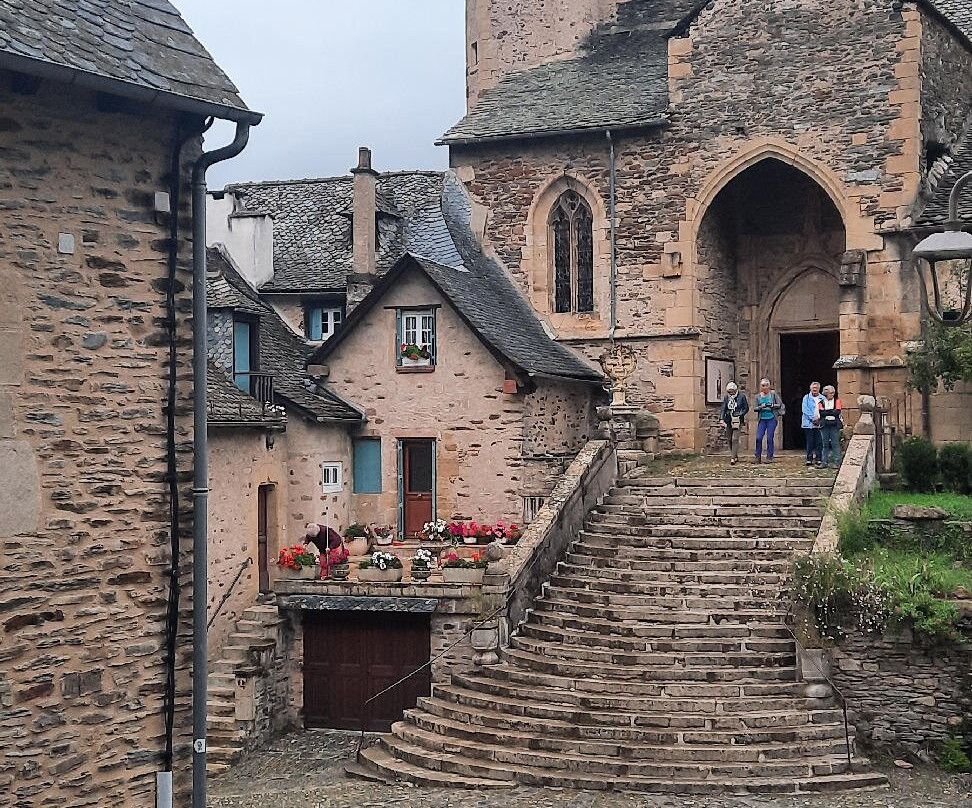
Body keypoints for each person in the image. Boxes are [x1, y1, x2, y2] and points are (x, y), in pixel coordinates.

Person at [753, 378, 785, 463]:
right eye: (763, 386)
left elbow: (780, 404)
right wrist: (761, 407)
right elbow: (755, 408)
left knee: (769, 438)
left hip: (771, 418)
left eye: (767, 386)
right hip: (762, 419)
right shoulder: (758, 396)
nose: (765, 387)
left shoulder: (773, 394)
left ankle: (769, 457)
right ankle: (757, 457)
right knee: (758, 438)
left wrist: (772, 405)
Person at [719, 381, 749, 465]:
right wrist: (721, 419)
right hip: (729, 420)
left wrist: (740, 414)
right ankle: (735, 455)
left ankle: (732, 458)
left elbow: (746, 408)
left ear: (735, 390)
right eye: (729, 392)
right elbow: (723, 408)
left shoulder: (741, 397)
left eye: (732, 392)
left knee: (735, 438)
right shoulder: (726, 398)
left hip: (737, 420)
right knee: (729, 439)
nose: (730, 394)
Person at [818, 385, 843, 468]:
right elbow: (821, 413)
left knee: (835, 443)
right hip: (824, 425)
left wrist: (827, 412)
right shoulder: (821, 402)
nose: (832, 394)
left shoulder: (837, 401)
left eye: (833, 393)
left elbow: (837, 412)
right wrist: (831, 411)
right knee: (825, 444)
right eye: (830, 393)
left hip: (834, 425)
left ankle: (837, 462)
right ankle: (824, 462)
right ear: (825, 394)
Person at [801, 382, 824, 467]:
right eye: (813, 388)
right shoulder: (806, 398)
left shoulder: (822, 398)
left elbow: (825, 409)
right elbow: (805, 409)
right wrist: (812, 418)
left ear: (819, 389)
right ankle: (809, 459)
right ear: (810, 389)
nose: (815, 389)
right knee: (810, 441)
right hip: (808, 423)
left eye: (816, 388)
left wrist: (819, 418)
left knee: (819, 442)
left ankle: (818, 458)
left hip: (819, 422)